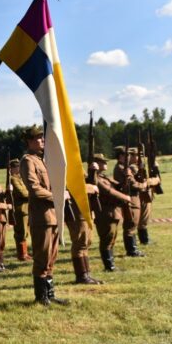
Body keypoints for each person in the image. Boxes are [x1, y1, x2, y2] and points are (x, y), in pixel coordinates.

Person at [19, 125, 68, 306]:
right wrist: (58, 196)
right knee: (42, 257)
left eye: (42, 137)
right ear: (29, 141)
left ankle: (50, 293)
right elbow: (34, 189)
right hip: (41, 217)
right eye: (38, 138)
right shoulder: (28, 161)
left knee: (51, 256)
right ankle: (41, 296)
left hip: (53, 215)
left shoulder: (44, 160)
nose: (42, 140)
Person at [90, 153, 132, 272]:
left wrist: (126, 177)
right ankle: (109, 266)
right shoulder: (95, 178)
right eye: (102, 162)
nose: (105, 163)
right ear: (96, 163)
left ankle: (111, 264)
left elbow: (117, 186)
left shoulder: (104, 177)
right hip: (104, 213)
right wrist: (125, 197)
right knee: (107, 239)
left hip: (113, 211)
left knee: (112, 238)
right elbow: (108, 191)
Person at [62, 182, 102, 285]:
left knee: (86, 243)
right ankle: (81, 276)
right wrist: (90, 187)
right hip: (76, 213)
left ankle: (86, 274)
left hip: (85, 212)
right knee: (79, 243)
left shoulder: (79, 169)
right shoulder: (67, 169)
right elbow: (72, 187)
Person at [113, 147, 148, 257]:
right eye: (126, 155)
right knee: (130, 224)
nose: (129, 157)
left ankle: (133, 249)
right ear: (121, 156)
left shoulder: (124, 167)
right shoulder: (121, 168)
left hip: (133, 197)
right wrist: (144, 185)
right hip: (130, 198)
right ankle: (131, 250)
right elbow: (132, 184)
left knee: (133, 223)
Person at [9, 158, 32, 261]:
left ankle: (25, 253)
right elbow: (23, 193)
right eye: (16, 167)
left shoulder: (20, 178)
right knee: (21, 233)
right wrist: (33, 193)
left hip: (26, 208)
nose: (18, 168)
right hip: (20, 209)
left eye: (19, 166)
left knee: (26, 232)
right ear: (12, 168)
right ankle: (22, 254)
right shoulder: (13, 179)